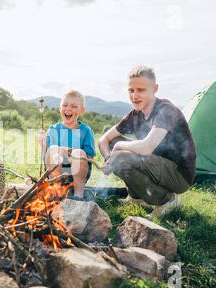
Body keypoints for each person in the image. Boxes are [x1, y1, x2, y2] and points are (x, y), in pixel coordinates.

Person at [98, 66, 196, 217]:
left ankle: (167, 200)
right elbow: (104, 139)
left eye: (141, 90)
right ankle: (136, 197)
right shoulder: (135, 114)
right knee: (114, 149)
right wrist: (107, 158)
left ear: (155, 88)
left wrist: (118, 148)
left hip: (178, 174)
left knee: (119, 155)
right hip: (155, 164)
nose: (135, 95)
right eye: (131, 90)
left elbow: (146, 148)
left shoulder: (166, 111)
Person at [39, 90, 96, 200]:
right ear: (60, 108)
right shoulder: (53, 130)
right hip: (57, 174)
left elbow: (90, 158)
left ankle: (78, 195)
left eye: (74, 106)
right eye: (65, 105)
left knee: (79, 152)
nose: (68, 109)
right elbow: (47, 158)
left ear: (82, 110)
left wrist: (71, 154)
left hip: (78, 175)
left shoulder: (86, 130)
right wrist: (43, 145)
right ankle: (56, 192)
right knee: (53, 149)